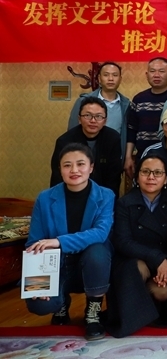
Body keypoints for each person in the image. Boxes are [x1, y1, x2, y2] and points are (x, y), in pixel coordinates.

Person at [26, 143, 114, 341]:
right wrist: (37, 284)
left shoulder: (106, 196)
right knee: (39, 304)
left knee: (98, 250)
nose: (74, 170)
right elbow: (34, 243)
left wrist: (59, 241)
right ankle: (61, 303)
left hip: (91, 265)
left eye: (80, 164)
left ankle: (93, 312)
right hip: (57, 265)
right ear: (60, 169)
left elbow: (100, 233)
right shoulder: (45, 198)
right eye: (67, 165)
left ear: (91, 167)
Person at [107, 152, 167, 337]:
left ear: (166, 178)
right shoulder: (124, 203)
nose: (151, 177)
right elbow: (123, 241)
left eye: (158, 173)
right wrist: (157, 258)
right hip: (132, 260)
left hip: (165, 262)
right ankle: (130, 318)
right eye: (145, 172)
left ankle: (148, 313)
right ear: (137, 176)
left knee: (163, 292)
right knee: (138, 267)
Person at [51, 96, 122, 198]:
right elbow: (57, 177)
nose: (93, 120)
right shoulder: (65, 141)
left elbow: (114, 176)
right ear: (79, 119)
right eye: (87, 115)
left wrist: (109, 201)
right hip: (71, 193)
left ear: (105, 121)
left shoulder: (113, 138)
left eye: (98, 116)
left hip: (102, 194)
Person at [124, 57, 167, 180]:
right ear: (147, 75)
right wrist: (128, 157)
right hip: (143, 156)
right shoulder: (139, 99)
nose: (156, 75)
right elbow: (132, 129)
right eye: (153, 71)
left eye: (161, 71)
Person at [67, 61, 130, 159]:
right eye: (106, 75)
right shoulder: (83, 101)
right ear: (99, 78)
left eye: (115, 75)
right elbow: (72, 131)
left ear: (120, 79)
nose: (110, 78)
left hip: (115, 157)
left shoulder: (126, 104)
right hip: (86, 156)